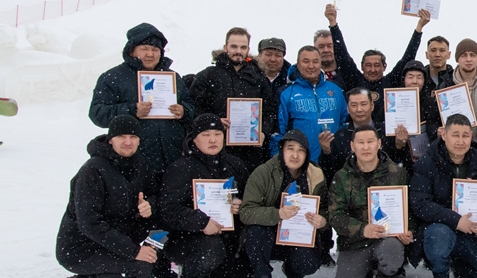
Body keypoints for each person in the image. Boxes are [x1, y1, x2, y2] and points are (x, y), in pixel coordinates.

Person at [56, 115, 170, 278]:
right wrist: (134, 251)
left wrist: (149, 205)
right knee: (140, 266)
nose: (128, 142)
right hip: (82, 247)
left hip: (119, 235)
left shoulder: (139, 163)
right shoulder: (92, 171)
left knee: (164, 228)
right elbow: (90, 224)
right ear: (110, 140)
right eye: (121, 137)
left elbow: (153, 193)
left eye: (133, 137)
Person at [409, 114, 477, 278]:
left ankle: (462, 267)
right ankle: (440, 274)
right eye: (455, 135)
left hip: (474, 233)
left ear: (471, 137)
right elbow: (420, 204)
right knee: (438, 233)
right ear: (444, 135)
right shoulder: (427, 163)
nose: (460, 141)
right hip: (440, 229)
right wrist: (456, 220)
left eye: (465, 135)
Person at [159, 114, 252, 278]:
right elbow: (168, 209)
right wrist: (201, 222)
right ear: (194, 139)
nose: (212, 140)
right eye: (206, 135)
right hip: (188, 237)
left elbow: (249, 198)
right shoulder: (181, 168)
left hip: (227, 236)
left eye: (217, 134)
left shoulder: (235, 164)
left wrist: (240, 205)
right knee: (209, 250)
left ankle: (209, 270)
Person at [89, 22, 194, 179]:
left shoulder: (172, 78)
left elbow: (192, 107)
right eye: (144, 49)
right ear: (132, 50)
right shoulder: (113, 77)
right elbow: (97, 113)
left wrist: (184, 111)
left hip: (173, 159)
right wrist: (132, 110)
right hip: (133, 161)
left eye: (155, 50)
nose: (150, 54)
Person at [240, 129, 328, 278]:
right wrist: (277, 214)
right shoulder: (264, 172)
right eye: (290, 149)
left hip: (298, 235)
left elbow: (326, 208)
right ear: (282, 150)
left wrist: (323, 220)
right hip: (268, 234)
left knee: (308, 263)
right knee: (255, 233)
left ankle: (293, 271)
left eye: (301, 150)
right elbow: (246, 211)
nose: (295, 155)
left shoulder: (315, 174)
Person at [329, 125, 413, 278]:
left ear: (379, 144)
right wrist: (363, 229)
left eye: (370, 142)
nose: (366, 147)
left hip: (387, 238)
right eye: (361, 143)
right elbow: (336, 216)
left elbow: (410, 209)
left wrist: (409, 229)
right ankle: (365, 269)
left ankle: (384, 273)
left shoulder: (397, 173)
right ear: (352, 146)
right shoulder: (342, 177)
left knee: (392, 251)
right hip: (355, 242)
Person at [324, 3, 431, 123]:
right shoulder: (354, 80)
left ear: (384, 67)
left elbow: (408, 57)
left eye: (377, 65)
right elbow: (342, 55)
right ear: (362, 67)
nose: (373, 70)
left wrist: (419, 28)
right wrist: (333, 23)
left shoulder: (391, 81)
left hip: (385, 132)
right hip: (358, 131)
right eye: (368, 65)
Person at [188, 27, 275, 174]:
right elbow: (193, 106)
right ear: (225, 47)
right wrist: (213, 121)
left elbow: (270, 110)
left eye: (243, 47)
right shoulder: (208, 75)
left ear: (248, 49)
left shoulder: (258, 78)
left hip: (250, 151)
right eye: (234, 46)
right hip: (217, 149)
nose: (238, 51)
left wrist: (263, 132)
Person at [273, 45, 347, 163]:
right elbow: (277, 132)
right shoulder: (286, 93)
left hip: (333, 161)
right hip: (300, 162)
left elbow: (345, 123)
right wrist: (278, 162)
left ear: (320, 64)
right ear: (298, 64)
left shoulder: (336, 90)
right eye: (306, 61)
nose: (311, 66)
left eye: (315, 61)